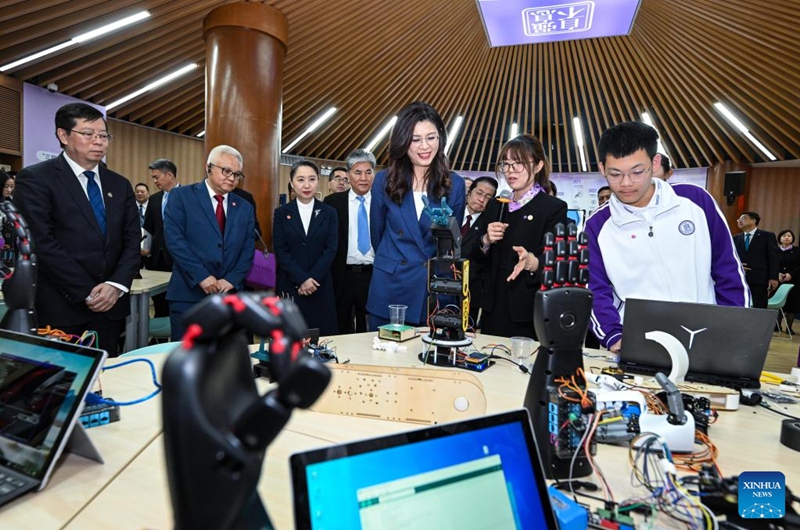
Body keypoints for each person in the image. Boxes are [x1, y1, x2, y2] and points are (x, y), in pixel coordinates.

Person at [585, 121, 749, 352]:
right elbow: (594, 288)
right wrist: (613, 335)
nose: (626, 183)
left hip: (706, 337)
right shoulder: (597, 225)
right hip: (638, 342)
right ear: (602, 168)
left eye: (637, 172)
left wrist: (733, 327)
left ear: (655, 163)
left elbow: (728, 270)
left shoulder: (695, 202)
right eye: (615, 174)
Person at [14, 102, 141, 355]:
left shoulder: (120, 184)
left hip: (111, 306)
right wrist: (88, 292)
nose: (98, 141)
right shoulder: (37, 179)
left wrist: (115, 286)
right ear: (63, 135)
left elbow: (131, 239)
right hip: (61, 306)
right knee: (60, 385)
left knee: (107, 379)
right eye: (88, 134)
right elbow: (40, 241)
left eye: (103, 135)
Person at [368, 101, 466, 329]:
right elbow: (377, 234)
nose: (425, 146)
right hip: (391, 287)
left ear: (440, 138)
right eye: (415, 139)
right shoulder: (384, 181)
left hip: (432, 291)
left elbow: (451, 242)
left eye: (431, 137)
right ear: (403, 142)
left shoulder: (455, 185)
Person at [470, 135, 567, 338]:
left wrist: (532, 262)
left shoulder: (552, 208)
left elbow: (557, 261)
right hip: (491, 307)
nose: (510, 170)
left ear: (539, 165)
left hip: (527, 311)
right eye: (506, 164)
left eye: (519, 163)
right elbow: (473, 255)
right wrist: (485, 242)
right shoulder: (496, 205)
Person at [164, 145, 255, 340]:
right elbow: (175, 241)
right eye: (226, 171)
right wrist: (201, 276)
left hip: (230, 297)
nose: (232, 178)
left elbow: (248, 250)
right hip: (189, 295)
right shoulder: (181, 197)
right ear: (208, 167)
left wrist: (231, 279)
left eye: (237, 174)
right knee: (189, 363)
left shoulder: (244, 207)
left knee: (227, 362)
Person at [273, 161, 338, 336]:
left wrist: (312, 279)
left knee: (323, 339)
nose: (307, 185)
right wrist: (301, 279)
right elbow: (281, 250)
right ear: (292, 182)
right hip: (291, 285)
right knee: (290, 338)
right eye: (301, 180)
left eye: (312, 179)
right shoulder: (281, 213)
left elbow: (330, 249)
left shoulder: (329, 212)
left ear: (318, 181)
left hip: (320, 284)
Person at [325, 149, 376, 334]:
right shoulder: (332, 203)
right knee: (341, 327)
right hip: (342, 275)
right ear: (348, 175)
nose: (363, 178)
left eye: (368, 172)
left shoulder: (383, 203)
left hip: (373, 275)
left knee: (370, 330)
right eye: (357, 172)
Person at [460, 176, 498, 327]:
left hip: (470, 290)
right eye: (479, 193)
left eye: (488, 197)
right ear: (469, 192)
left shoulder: (490, 226)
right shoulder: (450, 213)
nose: (482, 199)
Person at [143, 158, 179, 316]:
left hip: (178, 259)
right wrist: (145, 248)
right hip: (156, 258)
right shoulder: (154, 199)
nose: (154, 181)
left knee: (176, 302)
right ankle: (158, 338)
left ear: (169, 175)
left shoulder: (188, 196)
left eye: (156, 177)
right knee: (159, 302)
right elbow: (149, 227)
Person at [733, 212, 780, 308]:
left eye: (743, 218)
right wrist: (738, 266)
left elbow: (774, 258)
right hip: (740, 278)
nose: (739, 221)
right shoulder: (736, 238)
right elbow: (732, 257)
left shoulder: (767, 236)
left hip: (759, 279)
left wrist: (773, 277)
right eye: (738, 219)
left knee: (759, 307)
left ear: (753, 221)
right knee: (739, 305)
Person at [777, 229, 800, 333]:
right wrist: (777, 273)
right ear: (780, 238)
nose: (786, 237)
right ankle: (776, 326)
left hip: (794, 281)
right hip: (778, 281)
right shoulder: (775, 250)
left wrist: (791, 274)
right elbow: (771, 264)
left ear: (792, 239)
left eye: (789, 236)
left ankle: (789, 327)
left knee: (792, 304)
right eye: (784, 236)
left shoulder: (798, 251)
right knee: (778, 304)